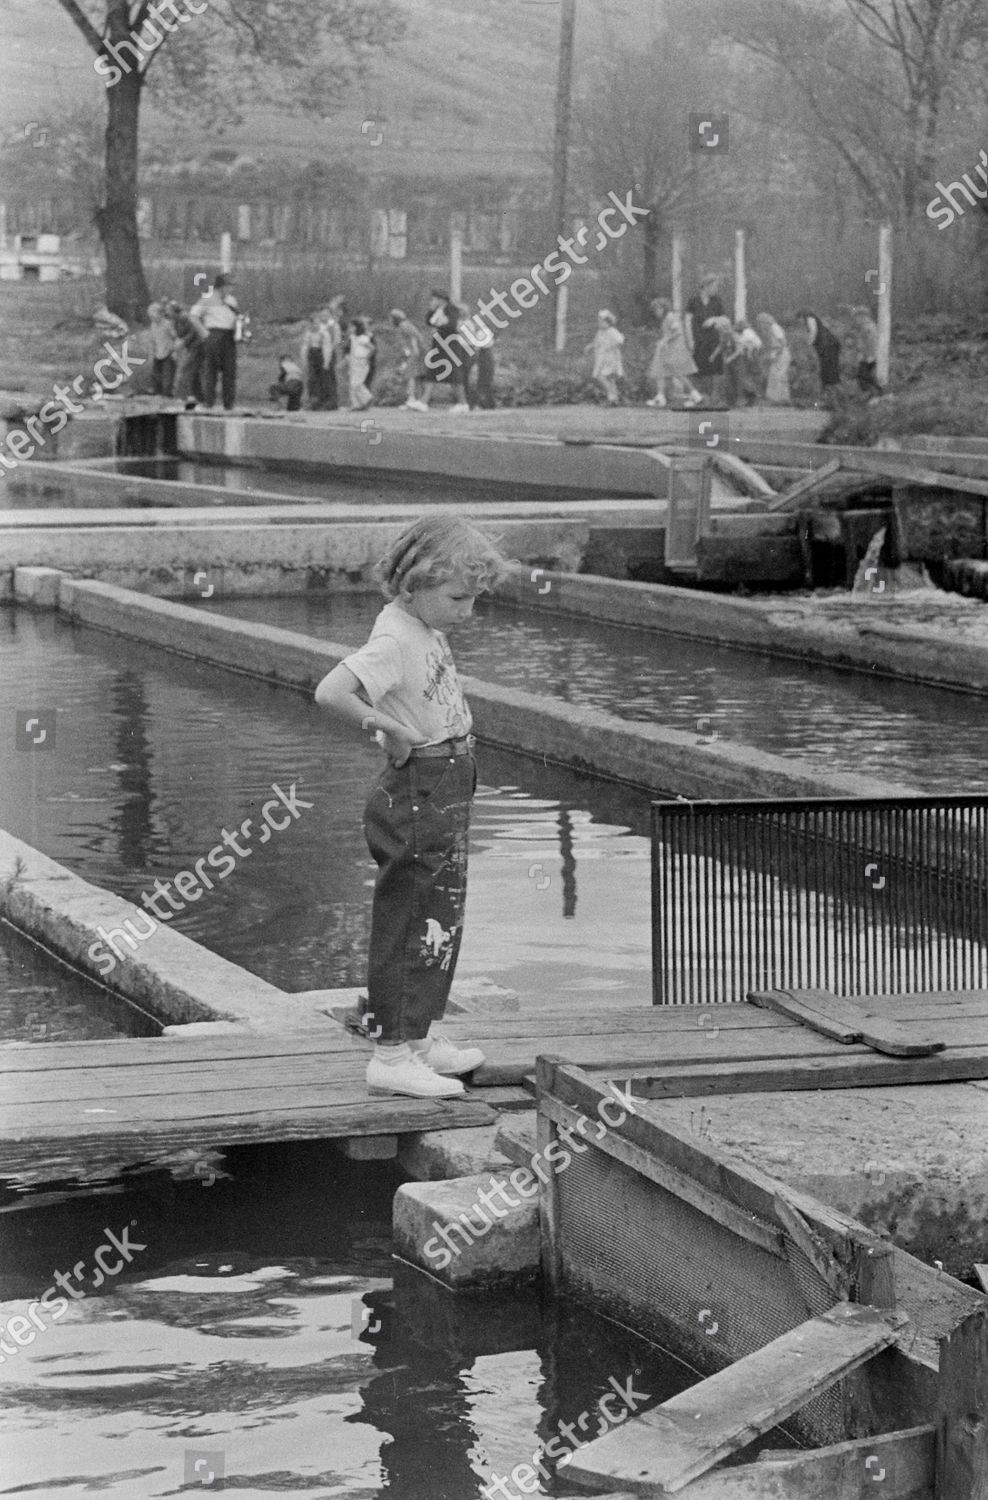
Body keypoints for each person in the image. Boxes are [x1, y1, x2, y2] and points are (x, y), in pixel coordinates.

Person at [313, 516, 507, 1099]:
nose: (467, 611)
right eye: (457, 598)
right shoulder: (396, 638)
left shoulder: (421, 624)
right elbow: (331, 691)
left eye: (474, 598)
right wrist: (387, 727)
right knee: (411, 915)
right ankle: (391, 1052)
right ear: (409, 586)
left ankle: (416, 1035)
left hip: (446, 778)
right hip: (421, 784)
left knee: (439, 916)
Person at [191, 272, 241, 411]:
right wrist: (205, 333)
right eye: (229, 285)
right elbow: (193, 316)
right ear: (221, 286)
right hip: (214, 334)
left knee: (229, 370)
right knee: (211, 370)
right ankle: (208, 402)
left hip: (228, 335)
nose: (231, 289)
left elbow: (235, 317)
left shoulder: (232, 301)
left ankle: (229, 404)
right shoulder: (208, 298)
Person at [416, 291, 470, 412]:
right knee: (432, 372)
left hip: (450, 344)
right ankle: (424, 401)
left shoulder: (452, 309)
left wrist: (440, 324)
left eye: (434, 299)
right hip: (439, 344)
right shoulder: (437, 310)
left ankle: (463, 403)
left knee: (454, 374)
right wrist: (431, 311)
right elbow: (428, 321)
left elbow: (451, 325)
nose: (432, 302)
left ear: (441, 300)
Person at [646, 299, 702, 408]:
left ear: (663, 308)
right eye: (655, 310)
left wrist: (665, 340)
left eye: (658, 309)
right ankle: (660, 397)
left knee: (678, 373)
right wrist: (663, 342)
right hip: (667, 349)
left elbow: (677, 332)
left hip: (674, 349)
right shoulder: (666, 319)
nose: (657, 312)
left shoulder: (670, 317)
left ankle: (695, 395)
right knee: (660, 371)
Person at [685, 273, 726, 399]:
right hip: (698, 339)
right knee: (697, 366)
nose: (716, 289)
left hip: (713, 339)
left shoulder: (717, 301)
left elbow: (724, 318)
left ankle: (714, 396)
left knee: (714, 366)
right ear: (706, 286)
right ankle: (698, 395)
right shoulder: (693, 301)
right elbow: (687, 321)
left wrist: (714, 319)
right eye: (714, 286)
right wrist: (690, 339)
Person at [168, 299, 206, 409]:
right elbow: (178, 336)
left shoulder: (185, 318)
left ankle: (181, 396)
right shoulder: (174, 321)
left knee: (187, 368)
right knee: (194, 372)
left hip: (198, 346)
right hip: (190, 347)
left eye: (169, 311)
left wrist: (184, 341)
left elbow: (194, 331)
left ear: (174, 311)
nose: (168, 313)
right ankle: (200, 397)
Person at [796, 310, 842, 398]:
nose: (800, 322)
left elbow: (813, 332)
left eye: (799, 320)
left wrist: (808, 344)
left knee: (829, 370)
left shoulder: (809, 318)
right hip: (827, 348)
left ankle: (835, 394)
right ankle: (830, 393)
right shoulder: (814, 322)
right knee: (826, 370)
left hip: (829, 347)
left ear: (802, 316)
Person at [301, 308, 339, 411]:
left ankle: (329, 402)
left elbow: (327, 348)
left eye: (316, 323)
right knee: (313, 380)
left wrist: (326, 362)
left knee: (326, 380)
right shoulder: (309, 333)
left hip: (322, 355)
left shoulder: (325, 332)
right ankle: (314, 401)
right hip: (312, 356)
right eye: (313, 323)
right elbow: (305, 347)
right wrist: (304, 360)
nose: (315, 325)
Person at [587, 309, 625, 405]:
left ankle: (611, 394)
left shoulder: (612, 331)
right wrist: (590, 346)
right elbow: (596, 342)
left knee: (601, 376)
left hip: (611, 358)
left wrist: (612, 347)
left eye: (602, 322)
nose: (600, 324)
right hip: (602, 358)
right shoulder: (600, 332)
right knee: (609, 378)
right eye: (599, 321)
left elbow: (620, 340)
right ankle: (614, 399)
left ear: (608, 322)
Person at [391, 308, 426, 409]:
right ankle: (417, 399)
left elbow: (413, 338)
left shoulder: (404, 325)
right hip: (413, 353)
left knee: (410, 375)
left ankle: (411, 398)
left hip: (414, 353)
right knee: (416, 376)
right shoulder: (406, 324)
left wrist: (414, 351)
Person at [754, 312, 792, 404]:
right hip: (776, 352)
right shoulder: (770, 329)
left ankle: (778, 398)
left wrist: (778, 354)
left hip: (781, 353)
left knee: (778, 376)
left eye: (760, 322)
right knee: (775, 376)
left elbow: (782, 343)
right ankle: (779, 398)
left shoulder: (775, 327)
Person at [852, 307, 884, 396]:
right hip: (866, 355)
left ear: (863, 316)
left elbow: (871, 342)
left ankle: (876, 391)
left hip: (868, 356)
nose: (856, 320)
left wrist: (868, 355)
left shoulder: (868, 327)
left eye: (857, 317)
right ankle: (872, 392)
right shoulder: (865, 326)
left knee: (863, 375)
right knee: (863, 376)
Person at [146, 302, 176, 397]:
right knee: (156, 374)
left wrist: (174, 350)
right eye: (151, 317)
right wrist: (152, 352)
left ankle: (167, 393)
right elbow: (152, 340)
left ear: (161, 314)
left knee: (167, 374)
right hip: (157, 352)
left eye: (154, 316)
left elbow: (174, 336)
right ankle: (157, 392)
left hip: (168, 352)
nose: (152, 318)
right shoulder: (153, 325)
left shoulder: (167, 324)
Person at [347, 316, 375, 410]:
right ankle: (357, 404)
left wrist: (367, 358)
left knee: (357, 384)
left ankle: (367, 397)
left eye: (352, 327)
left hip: (361, 362)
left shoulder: (362, 338)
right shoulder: (352, 338)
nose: (351, 329)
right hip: (353, 362)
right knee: (352, 384)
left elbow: (372, 348)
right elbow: (346, 344)